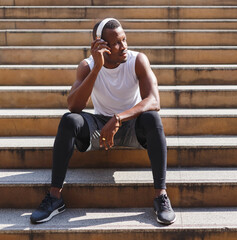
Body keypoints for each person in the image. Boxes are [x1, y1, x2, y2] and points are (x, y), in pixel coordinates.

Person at [30, 18, 176, 225]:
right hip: (99, 127)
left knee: (152, 117)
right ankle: (55, 197)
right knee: (69, 120)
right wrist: (97, 67)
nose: (123, 46)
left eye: (124, 39)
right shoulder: (87, 66)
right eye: (116, 43)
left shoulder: (137, 60)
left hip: (133, 124)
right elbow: (74, 106)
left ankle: (161, 196)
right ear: (101, 46)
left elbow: (153, 100)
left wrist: (119, 117)